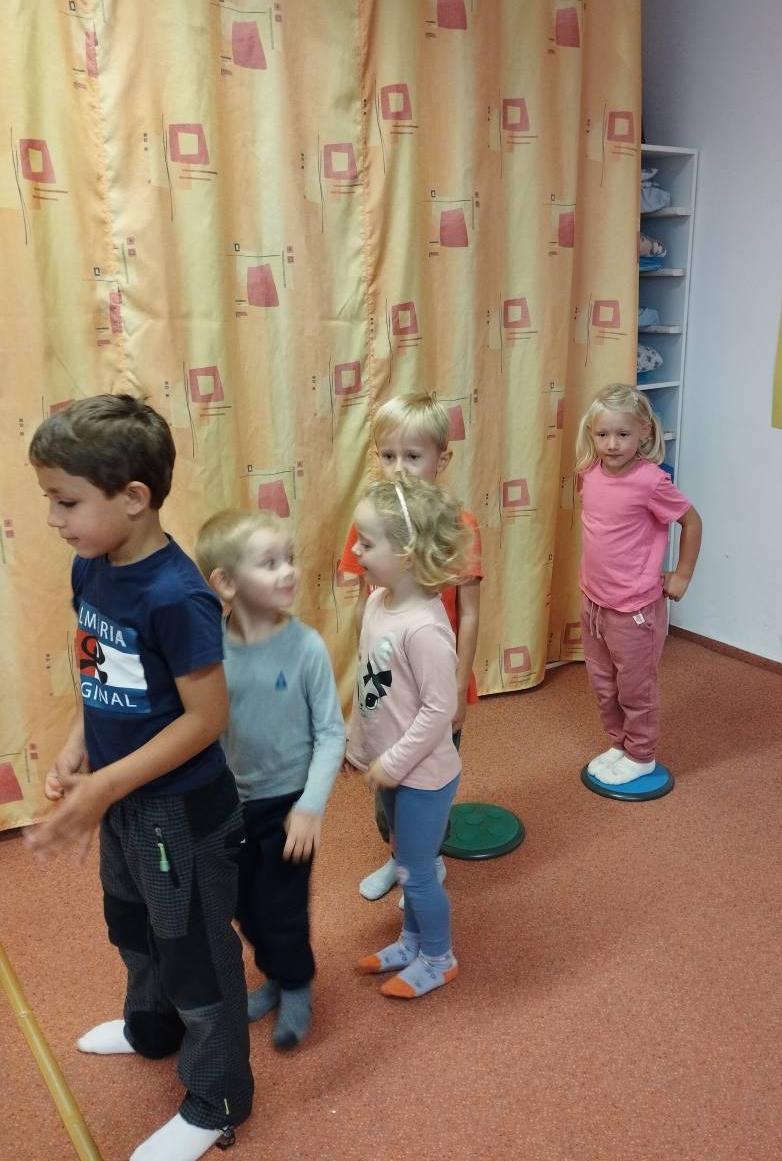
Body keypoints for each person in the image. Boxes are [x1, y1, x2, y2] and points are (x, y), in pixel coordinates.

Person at [27, 395, 253, 1161]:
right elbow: (102, 674)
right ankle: (150, 1030)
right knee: (132, 924)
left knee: (195, 953)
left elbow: (205, 719)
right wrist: (78, 746)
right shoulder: (92, 567)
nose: (54, 519)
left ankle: (217, 1100)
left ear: (133, 497)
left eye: (66, 502)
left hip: (180, 814)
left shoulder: (177, 596)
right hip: (124, 800)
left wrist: (106, 783)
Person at [195, 509, 345, 1050]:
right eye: (270, 563)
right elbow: (205, 726)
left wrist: (310, 806)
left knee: (282, 909)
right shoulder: (210, 650)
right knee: (243, 906)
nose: (288, 571)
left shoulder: (306, 647)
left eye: (290, 559)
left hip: (288, 807)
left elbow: (332, 734)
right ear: (226, 583)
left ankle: (296, 983)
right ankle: (276, 974)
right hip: (232, 806)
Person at [337, 393, 481, 901]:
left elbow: (470, 613)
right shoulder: (370, 523)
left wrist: (459, 688)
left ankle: (426, 859)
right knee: (387, 783)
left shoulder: (459, 525)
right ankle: (400, 856)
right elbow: (363, 606)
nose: (398, 468)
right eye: (387, 455)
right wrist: (365, 679)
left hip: (436, 680)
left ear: (441, 459)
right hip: (387, 680)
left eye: (413, 456)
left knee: (425, 777)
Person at [346, 474, 468, 998]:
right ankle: (412, 940)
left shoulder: (424, 628)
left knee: (418, 872)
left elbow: (441, 709)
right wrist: (359, 746)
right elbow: (370, 685)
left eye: (366, 543)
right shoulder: (378, 603)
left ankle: (439, 958)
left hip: (423, 777)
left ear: (408, 553)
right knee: (405, 864)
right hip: (394, 770)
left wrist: (393, 763)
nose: (355, 551)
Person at [575, 384, 702, 785]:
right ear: (591, 432)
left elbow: (691, 522)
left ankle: (642, 755)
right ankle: (619, 745)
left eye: (623, 434)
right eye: (603, 434)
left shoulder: (651, 481)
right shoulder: (588, 473)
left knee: (635, 687)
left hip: (634, 609)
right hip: (594, 601)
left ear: (644, 432)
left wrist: (682, 574)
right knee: (603, 683)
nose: (612, 444)